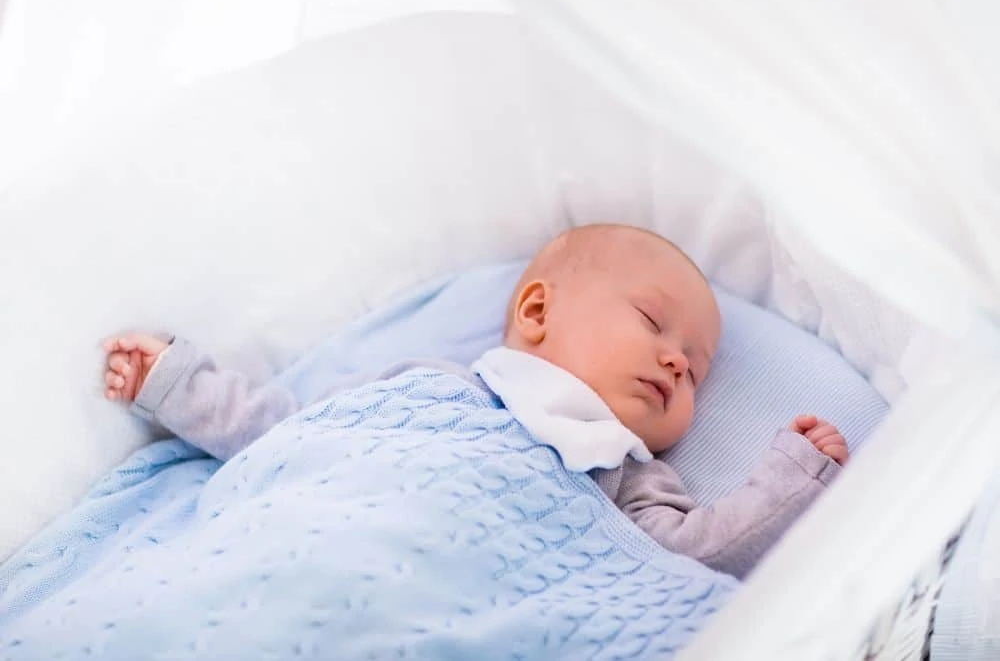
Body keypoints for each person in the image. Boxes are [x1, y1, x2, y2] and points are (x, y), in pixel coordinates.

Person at [101, 223, 848, 579]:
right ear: (535, 313)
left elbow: (696, 555)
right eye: (654, 323)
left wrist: (787, 477)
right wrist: (177, 382)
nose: (675, 361)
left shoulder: (626, 471)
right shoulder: (432, 388)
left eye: (695, 372)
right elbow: (291, 432)